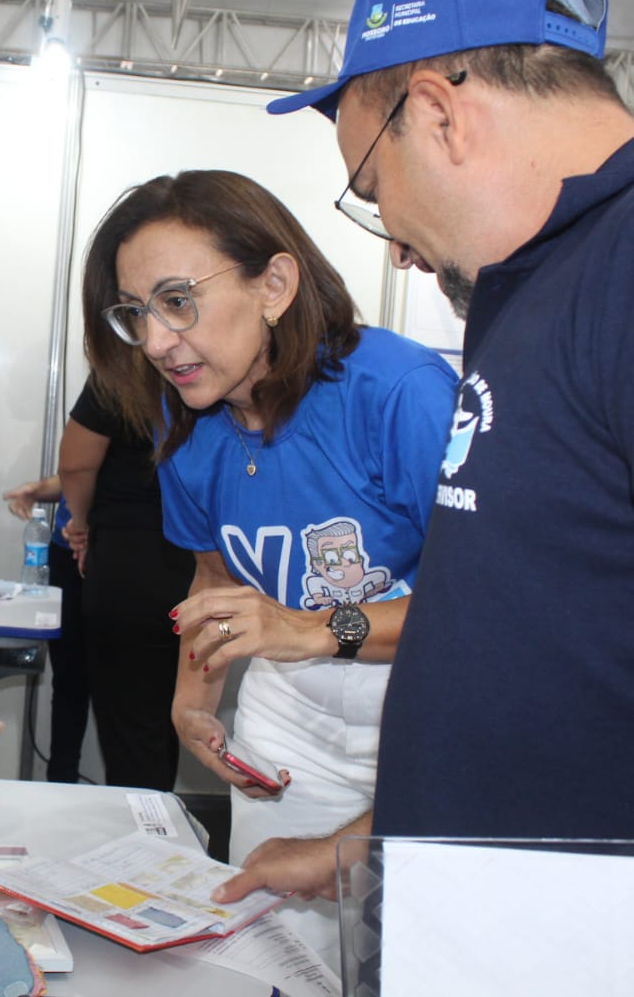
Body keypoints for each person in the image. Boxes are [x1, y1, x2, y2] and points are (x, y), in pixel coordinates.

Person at [218, 0, 634, 992]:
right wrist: (371, 848)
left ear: (439, 111)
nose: (395, 244)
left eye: (372, 189)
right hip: (474, 930)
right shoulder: (541, 290)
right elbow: (551, 656)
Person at [80, 169, 456, 951]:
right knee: (276, 947)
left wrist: (313, 628)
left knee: (416, 949)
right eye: (133, 314)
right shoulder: (182, 422)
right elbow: (213, 579)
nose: (154, 342)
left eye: (178, 300)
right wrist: (192, 700)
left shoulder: (399, 392)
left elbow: (488, 610)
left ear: (274, 284)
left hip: (426, 712)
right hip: (288, 726)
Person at [59, 374, 193, 792]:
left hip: (131, 561)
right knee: (166, 720)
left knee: (133, 733)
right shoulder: (218, 365)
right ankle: (162, 843)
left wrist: (80, 523)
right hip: (201, 564)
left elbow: (76, 463)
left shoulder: (123, 370)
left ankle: (145, 851)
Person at [1, 481, 89, 783]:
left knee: (121, 691)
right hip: (66, 552)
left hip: (119, 554)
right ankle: (61, 785)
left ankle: (137, 803)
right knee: (68, 684)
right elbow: (76, 470)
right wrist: (37, 490)